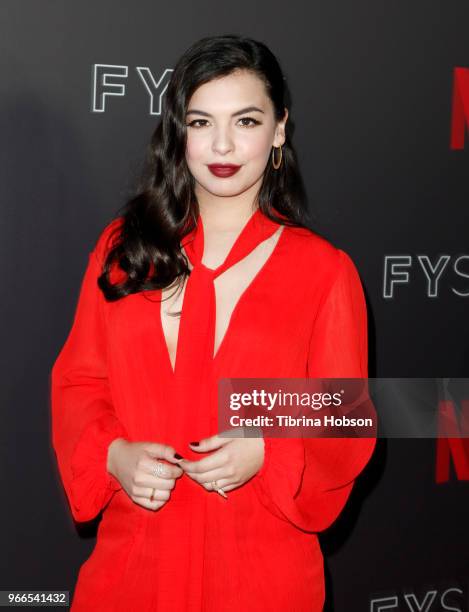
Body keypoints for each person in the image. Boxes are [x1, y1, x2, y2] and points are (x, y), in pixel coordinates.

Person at [50, 34, 376, 611]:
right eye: (201, 122)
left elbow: (345, 413)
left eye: (246, 120)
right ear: (179, 132)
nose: (222, 144)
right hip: (132, 571)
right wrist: (111, 455)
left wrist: (269, 445)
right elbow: (81, 381)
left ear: (278, 130)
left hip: (258, 576)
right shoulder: (125, 252)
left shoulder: (322, 271)